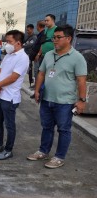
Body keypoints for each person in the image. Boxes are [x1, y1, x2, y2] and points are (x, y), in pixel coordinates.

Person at [27, 25, 87, 169]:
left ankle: (59, 157)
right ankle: (43, 151)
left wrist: (81, 100)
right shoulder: (49, 55)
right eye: (54, 37)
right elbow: (41, 73)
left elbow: (81, 81)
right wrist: (36, 91)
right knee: (46, 127)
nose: (55, 40)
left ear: (68, 39)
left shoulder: (77, 58)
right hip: (47, 99)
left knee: (63, 130)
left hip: (65, 102)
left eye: (58, 37)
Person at [0, 30, 29, 160]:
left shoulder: (23, 58)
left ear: (18, 43)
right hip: (0, 95)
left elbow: (13, 77)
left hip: (10, 97)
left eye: (9, 42)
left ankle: (8, 150)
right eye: (6, 42)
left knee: (9, 125)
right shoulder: (9, 55)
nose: (6, 45)